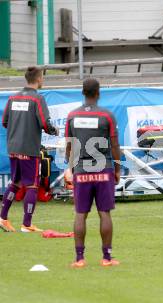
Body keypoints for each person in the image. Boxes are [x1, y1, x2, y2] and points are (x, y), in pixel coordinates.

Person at [65, 78, 121, 268]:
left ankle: (79, 259)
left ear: (83, 92)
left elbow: (69, 145)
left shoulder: (72, 116)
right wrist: (118, 169)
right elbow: (114, 145)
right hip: (103, 169)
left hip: (81, 170)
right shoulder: (107, 116)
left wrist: (71, 169)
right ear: (98, 93)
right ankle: (107, 258)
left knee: (80, 214)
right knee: (104, 213)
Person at [0, 66, 58, 232]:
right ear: (39, 79)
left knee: (16, 183)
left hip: (13, 147)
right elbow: (45, 123)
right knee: (32, 185)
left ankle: (3, 218)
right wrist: (53, 130)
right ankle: (27, 224)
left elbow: (5, 122)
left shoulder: (13, 98)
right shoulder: (37, 99)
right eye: (43, 78)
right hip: (28, 148)